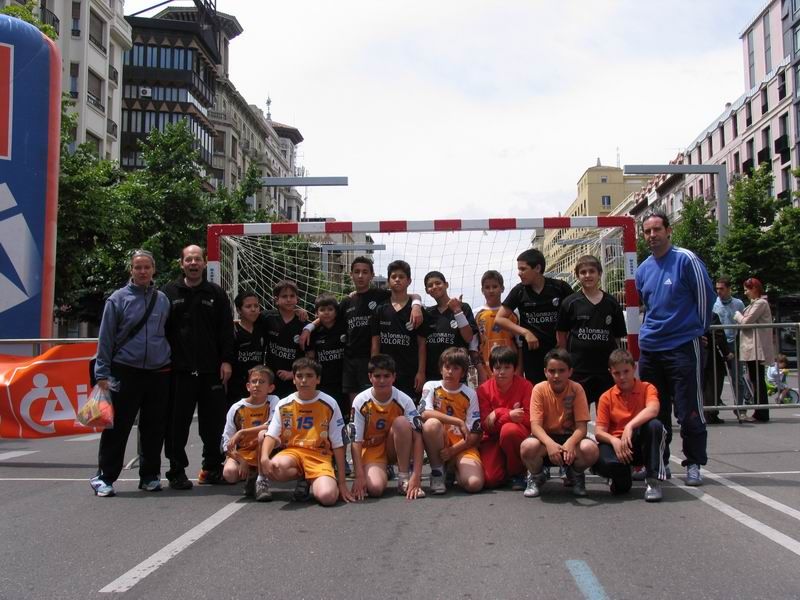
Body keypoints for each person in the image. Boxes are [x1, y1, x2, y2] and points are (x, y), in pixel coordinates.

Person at [635, 212, 714, 486]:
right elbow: (648, 304)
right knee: (655, 410)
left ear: (669, 231)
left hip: (682, 346)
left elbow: (705, 298)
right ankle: (659, 463)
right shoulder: (643, 269)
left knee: (688, 409)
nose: (652, 235)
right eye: (647, 231)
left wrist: (698, 331)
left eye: (657, 229)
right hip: (651, 349)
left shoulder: (686, 260)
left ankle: (693, 464)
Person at [90, 249, 172, 497]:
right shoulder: (118, 299)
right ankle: (105, 477)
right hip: (125, 370)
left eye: (147, 267)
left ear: (153, 269)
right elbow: (105, 338)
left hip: (158, 371)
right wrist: (102, 373)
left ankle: (149, 476)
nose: (143, 271)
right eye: (138, 267)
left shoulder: (162, 299)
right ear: (131, 271)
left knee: (154, 427)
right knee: (119, 426)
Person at [300, 256, 423, 406]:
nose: (360, 275)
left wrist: (416, 304)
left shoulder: (380, 295)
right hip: (350, 360)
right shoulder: (347, 301)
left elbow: (408, 295)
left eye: (365, 272)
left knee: (372, 402)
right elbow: (327, 316)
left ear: (371, 275)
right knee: (355, 403)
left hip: (371, 359)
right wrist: (309, 327)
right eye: (357, 272)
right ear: (350, 274)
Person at [162, 245, 235, 490]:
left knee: (213, 424)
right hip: (178, 371)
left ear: (205, 263)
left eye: (197, 259)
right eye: (188, 259)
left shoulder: (216, 293)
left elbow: (226, 331)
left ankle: (211, 468)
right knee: (177, 424)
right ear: (181, 263)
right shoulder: (168, 293)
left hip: (210, 371)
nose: (193, 263)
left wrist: (226, 360)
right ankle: (176, 470)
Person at [259, 358, 354, 506]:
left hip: (319, 456)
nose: (304, 380)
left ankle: (322, 478)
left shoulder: (329, 403)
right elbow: (271, 435)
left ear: (318, 379)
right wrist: (264, 457)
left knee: (328, 497)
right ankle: (303, 477)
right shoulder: (284, 404)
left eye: (309, 376)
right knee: (275, 468)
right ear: (294, 380)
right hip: (293, 453)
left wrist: (342, 483)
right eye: (299, 376)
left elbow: (338, 443)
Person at [519, 349, 598, 498]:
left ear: (570, 371)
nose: (556, 375)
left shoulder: (577, 389)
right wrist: (549, 443)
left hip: (569, 437)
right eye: (552, 371)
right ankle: (536, 476)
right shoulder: (539, 389)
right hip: (545, 438)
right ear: (545, 372)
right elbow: (535, 426)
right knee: (527, 447)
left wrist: (570, 443)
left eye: (561, 371)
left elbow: (582, 427)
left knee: (590, 449)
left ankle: (574, 474)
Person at [593, 350, 667, 502]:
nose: (622, 377)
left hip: (638, 441)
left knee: (655, 426)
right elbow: (599, 432)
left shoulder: (647, 388)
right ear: (610, 373)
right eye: (616, 373)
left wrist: (630, 426)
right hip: (618, 445)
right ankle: (622, 477)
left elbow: (653, 409)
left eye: (626, 371)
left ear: (634, 368)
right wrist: (614, 441)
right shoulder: (606, 397)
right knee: (600, 460)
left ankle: (653, 481)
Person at [350, 354, 425, 500]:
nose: (382, 380)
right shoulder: (360, 401)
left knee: (402, 422)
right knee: (375, 489)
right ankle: (383, 469)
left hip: (396, 447)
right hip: (372, 449)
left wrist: (416, 477)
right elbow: (355, 441)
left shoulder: (404, 399)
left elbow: (418, 438)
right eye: (377, 376)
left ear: (394, 377)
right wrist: (358, 476)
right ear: (370, 377)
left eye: (386, 376)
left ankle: (403, 477)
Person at [556, 254, 627, 406]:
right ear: (577, 276)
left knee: (607, 414)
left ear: (599, 274)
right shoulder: (570, 303)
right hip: (579, 370)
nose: (587, 275)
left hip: (605, 369)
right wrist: (566, 360)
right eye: (583, 272)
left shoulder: (611, 303)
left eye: (591, 271)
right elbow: (561, 334)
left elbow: (617, 337)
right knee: (577, 416)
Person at [495, 248, 573, 384]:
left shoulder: (560, 287)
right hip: (533, 354)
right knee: (537, 394)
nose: (519, 273)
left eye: (523, 269)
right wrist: (526, 332)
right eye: (519, 269)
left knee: (561, 395)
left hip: (558, 352)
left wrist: (565, 338)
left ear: (537, 268)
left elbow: (575, 314)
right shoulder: (519, 291)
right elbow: (499, 318)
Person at [420, 348, 484, 494]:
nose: (450, 371)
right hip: (439, 445)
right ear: (441, 368)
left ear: (462, 373)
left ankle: (452, 470)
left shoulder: (470, 393)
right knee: (431, 424)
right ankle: (438, 473)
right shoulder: (431, 386)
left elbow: (474, 433)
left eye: (455, 368)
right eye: (447, 367)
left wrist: (452, 451)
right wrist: (457, 421)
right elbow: (424, 413)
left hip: (461, 446)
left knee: (475, 484)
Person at [476, 346, 532, 489]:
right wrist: (508, 414)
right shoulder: (483, 390)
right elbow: (486, 425)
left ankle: (517, 473)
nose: (501, 372)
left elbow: (528, 419)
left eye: (507, 367)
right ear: (491, 369)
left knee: (509, 430)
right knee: (490, 480)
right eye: (497, 367)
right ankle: (506, 469)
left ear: (514, 368)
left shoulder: (526, 386)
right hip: (492, 439)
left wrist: (498, 413)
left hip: (516, 436)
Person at [370, 260, 428, 399]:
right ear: (389, 281)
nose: (397, 280)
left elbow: (421, 344)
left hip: (410, 372)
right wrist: (373, 370)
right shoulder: (380, 308)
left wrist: (421, 372)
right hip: (385, 373)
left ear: (409, 281)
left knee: (409, 415)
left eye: (401, 277)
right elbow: (375, 342)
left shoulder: (417, 310)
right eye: (394, 276)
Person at [221, 365, 278, 501]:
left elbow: (271, 425)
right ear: (248, 386)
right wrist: (241, 461)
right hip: (244, 453)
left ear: (270, 388)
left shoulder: (274, 401)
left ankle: (261, 481)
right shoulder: (236, 408)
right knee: (229, 473)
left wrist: (242, 432)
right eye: (254, 381)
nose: (257, 385)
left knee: (263, 434)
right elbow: (225, 443)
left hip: (266, 451)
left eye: (262, 382)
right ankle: (251, 475)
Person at [422, 270, 478, 381]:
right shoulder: (427, 313)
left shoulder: (463, 307)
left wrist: (457, 311)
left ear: (446, 285)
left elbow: (468, 337)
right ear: (427, 291)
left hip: (456, 374)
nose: (434, 287)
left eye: (438, 283)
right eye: (430, 285)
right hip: (432, 375)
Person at [734, 277, 775, 423]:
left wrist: (738, 315)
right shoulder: (755, 304)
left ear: (755, 289)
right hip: (753, 348)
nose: (745, 293)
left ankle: (761, 412)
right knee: (755, 379)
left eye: (747, 289)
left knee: (757, 380)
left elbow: (746, 321)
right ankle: (759, 411)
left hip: (757, 348)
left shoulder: (761, 303)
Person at [474, 270, 522, 383]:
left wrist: (519, 369)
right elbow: (474, 346)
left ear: (502, 288)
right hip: (487, 370)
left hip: (510, 368)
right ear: (482, 290)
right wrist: (480, 370)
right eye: (487, 287)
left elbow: (520, 344)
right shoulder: (476, 313)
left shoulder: (513, 313)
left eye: (495, 286)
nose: (491, 290)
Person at [305, 293, 348, 418]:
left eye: (330, 309)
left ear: (336, 311)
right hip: (324, 381)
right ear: (317, 313)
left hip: (343, 379)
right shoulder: (313, 333)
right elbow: (310, 358)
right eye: (322, 310)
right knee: (325, 414)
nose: (326, 312)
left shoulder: (344, 327)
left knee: (341, 413)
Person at [263, 280, 307, 400]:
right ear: (276, 300)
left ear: (297, 299)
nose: (288, 299)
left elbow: (309, 355)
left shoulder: (303, 323)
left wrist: (293, 373)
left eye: (292, 296)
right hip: (271, 377)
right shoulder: (267, 318)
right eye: (284, 296)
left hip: (295, 378)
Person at [713, 277, 752, 408]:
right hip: (718, 344)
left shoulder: (738, 303)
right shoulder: (714, 303)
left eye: (721, 288)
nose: (719, 291)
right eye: (717, 288)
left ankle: (739, 407)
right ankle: (714, 405)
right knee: (716, 377)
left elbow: (743, 322)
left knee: (737, 377)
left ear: (729, 289)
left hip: (734, 342)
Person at [227, 291, 268, 407]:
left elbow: (282, 314)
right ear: (239, 310)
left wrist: (298, 311)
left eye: (256, 306)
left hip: (257, 385)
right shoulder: (232, 331)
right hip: (236, 386)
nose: (253, 309)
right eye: (248, 306)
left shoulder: (263, 327)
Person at [702, 312, 731, 424]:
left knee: (703, 387)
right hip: (710, 356)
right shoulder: (711, 315)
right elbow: (719, 336)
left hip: (696, 355)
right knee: (712, 386)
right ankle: (710, 414)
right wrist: (726, 352)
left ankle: (705, 413)